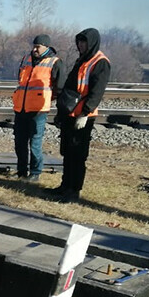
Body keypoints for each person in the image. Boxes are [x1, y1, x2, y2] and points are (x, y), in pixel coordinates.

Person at [50, 28, 110, 202]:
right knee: (68, 152)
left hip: (83, 116)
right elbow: (70, 85)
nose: (81, 45)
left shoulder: (100, 62)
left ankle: (74, 190)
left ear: (91, 43)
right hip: (71, 113)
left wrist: (85, 113)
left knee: (78, 155)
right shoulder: (82, 60)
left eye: (84, 42)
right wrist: (62, 111)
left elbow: (96, 91)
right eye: (79, 42)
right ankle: (65, 186)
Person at [12, 34, 65, 182]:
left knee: (35, 143)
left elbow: (59, 88)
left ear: (46, 47)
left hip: (38, 110)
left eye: (38, 47)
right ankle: (21, 171)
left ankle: (35, 172)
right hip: (21, 108)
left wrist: (49, 99)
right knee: (20, 142)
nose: (35, 49)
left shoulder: (55, 62)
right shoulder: (26, 59)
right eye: (34, 46)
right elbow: (21, 81)